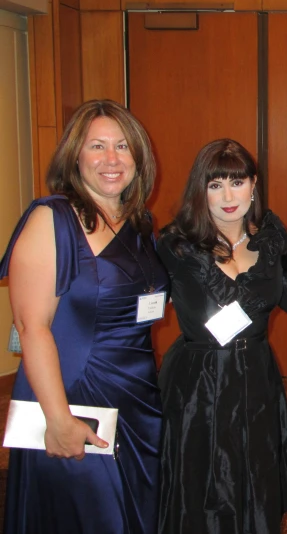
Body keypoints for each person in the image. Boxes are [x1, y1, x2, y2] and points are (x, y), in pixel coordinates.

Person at [0, 99, 167, 533]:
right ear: (75, 156)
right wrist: (57, 420)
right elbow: (30, 327)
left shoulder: (137, 221)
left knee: (135, 514)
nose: (112, 160)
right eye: (97, 147)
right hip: (75, 394)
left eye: (123, 147)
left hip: (137, 396)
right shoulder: (52, 219)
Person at [156, 138, 287, 534]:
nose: (227, 196)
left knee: (253, 476)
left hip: (256, 377)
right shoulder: (176, 245)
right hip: (198, 382)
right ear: (199, 189)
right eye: (215, 184)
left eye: (236, 183)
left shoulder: (270, 241)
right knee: (199, 487)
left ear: (253, 186)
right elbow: (133, 296)